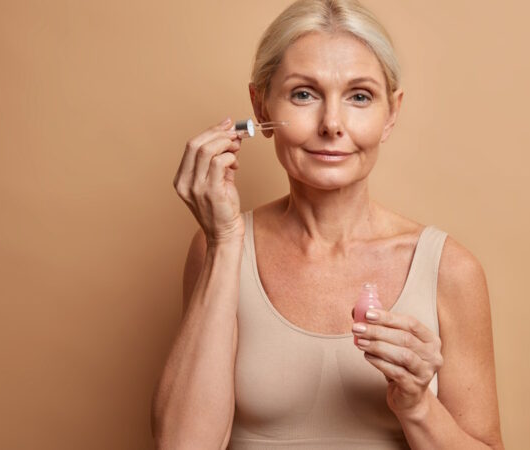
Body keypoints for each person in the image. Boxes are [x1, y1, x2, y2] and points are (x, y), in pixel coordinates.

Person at [152, 0, 504, 448]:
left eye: (360, 96)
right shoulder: (218, 248)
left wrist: (416, 406)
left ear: (391, 113)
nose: (332, 124)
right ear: (260, 106)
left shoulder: (451, 270)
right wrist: (223, 242)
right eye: (304, 94)